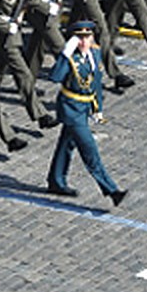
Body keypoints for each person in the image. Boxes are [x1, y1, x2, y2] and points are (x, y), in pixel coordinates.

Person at [45, 20, 127, 205]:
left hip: (84, 108)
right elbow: (55, 77)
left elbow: (96, 84)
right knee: (89, 149)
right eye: (79, 38)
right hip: (71, 109)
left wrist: (97, 109)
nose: (83, 42)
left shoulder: (95, 53)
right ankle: (112, 190)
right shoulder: (70, 58)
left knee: (67, 143)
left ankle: (56, 181)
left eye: (87, 37)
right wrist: (65, 54)